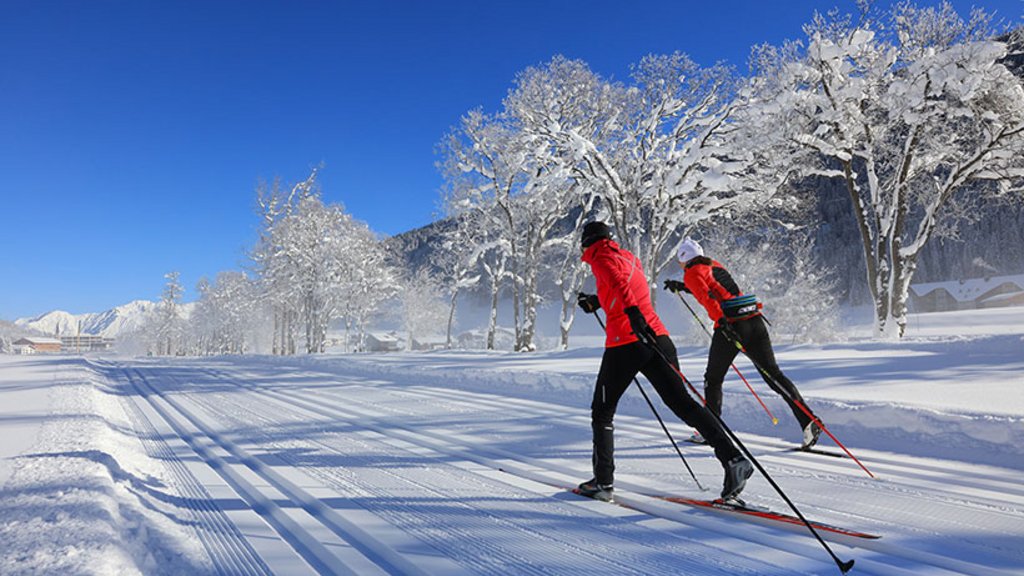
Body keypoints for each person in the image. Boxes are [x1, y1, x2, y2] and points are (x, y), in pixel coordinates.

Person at [575, 221, 752, 503]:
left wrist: (632, 314)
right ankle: (733, 459)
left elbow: (619, 285)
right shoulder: (627, 257)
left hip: (627, 341)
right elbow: (626, 286)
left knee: (602, 411)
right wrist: (598, 302)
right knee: (684, 404)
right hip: (658, 337)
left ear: (587, 242)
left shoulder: (600, 256)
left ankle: (603, 482)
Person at [664, 237, 822, 450]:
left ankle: (710, 429)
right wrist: (682, 287)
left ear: (684, 258)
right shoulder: (713, 264)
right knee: (773, 375)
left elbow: (709, 299)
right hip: (754, 320)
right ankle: (808, 420)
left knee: (713, 378)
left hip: (731, 326)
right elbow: (717, 290)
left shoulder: (690, 273)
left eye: (679, 261)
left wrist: (722, 323)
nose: (679, 265)